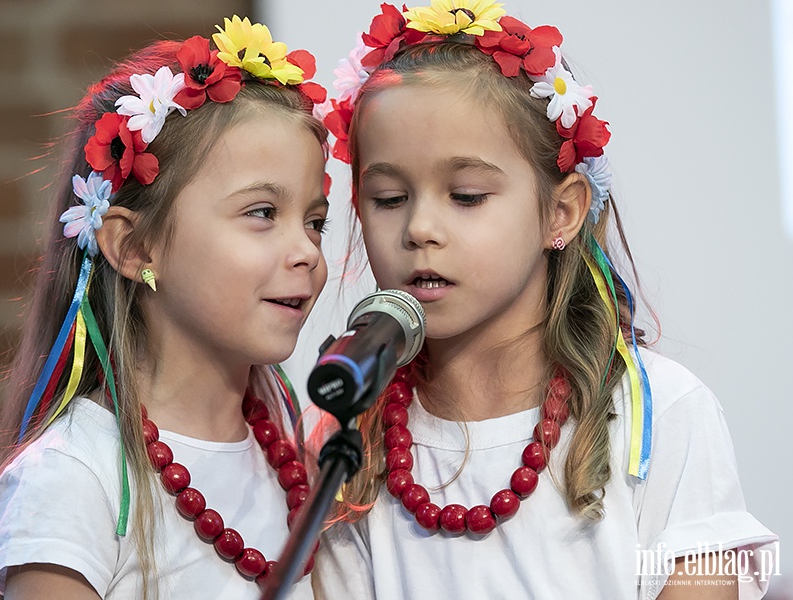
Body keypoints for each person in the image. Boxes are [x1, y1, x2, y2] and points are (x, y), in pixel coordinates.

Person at [312, 2, 779, 599]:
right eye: (387, 197)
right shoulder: (346, 435)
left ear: (561, 211)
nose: (420, 227)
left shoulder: (668, 413)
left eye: (467, 195)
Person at [0, 16, 331, 600]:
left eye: (315, 222)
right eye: (262, 213)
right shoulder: (75, 477)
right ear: (134, 247)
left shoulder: (295, 451)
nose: (306, 252)